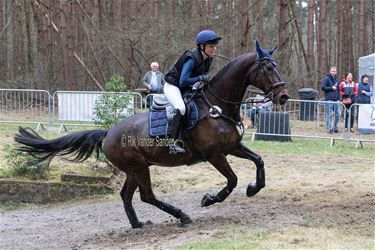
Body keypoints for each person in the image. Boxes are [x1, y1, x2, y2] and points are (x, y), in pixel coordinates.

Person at [164, 29, 222, 154]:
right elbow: (183, 81)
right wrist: (201, 78)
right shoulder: (192, 57)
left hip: (186, 87)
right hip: (173, 86)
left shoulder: (208, 58)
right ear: (202, 46)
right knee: (181, 108)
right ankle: (172, 144)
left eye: (214, 46)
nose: (214, 49)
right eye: (211, 46)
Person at [321, 66, 340, 133]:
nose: (333, 72)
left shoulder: (337, 79)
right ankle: (329, 128)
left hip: (336, 100)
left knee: (338, 114)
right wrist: (331, 88)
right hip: (329, 99)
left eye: (334, 71)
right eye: (332, 71)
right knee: (328, 114)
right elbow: (323, 87)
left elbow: (338, 89)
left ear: (336, 72)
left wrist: (339, 97)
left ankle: (335, 127)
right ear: (330, 71)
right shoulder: (326, 78)